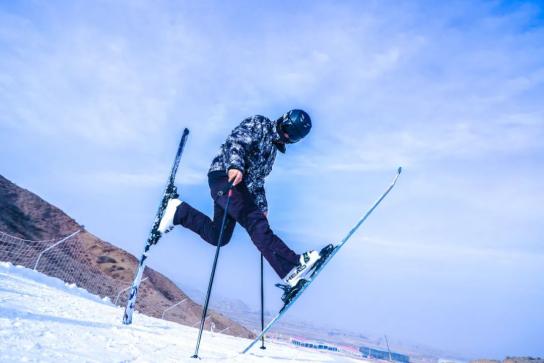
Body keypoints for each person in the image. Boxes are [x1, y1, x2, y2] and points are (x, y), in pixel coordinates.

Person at [157, 109, 322, 289]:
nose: (286, 135)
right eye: (286, 130)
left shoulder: (272, 151)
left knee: (219, 236)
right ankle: (292, 266)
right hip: (225, 176)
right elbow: (236, 141)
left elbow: (257, 181)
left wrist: (262, 206)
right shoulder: (261, 124)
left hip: (235, 184)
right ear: (283, 120)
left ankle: (179, 211)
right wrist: (235, 165)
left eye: (292, 137)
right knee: (255, 224)